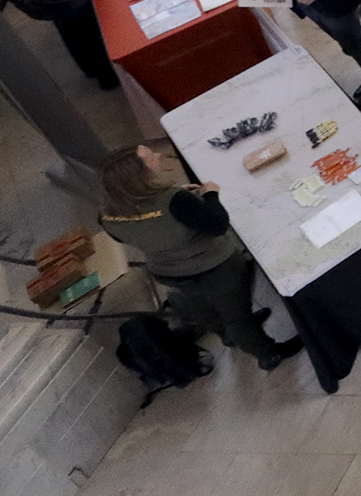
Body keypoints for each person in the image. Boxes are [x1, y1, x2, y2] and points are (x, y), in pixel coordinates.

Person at [96, 145, 306, 370]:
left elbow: (136, 229)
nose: (158, 155)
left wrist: (183, 202)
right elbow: (217, 224)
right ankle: (267, 353)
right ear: (138, 174)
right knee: (237, 316)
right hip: (214, 268)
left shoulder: (108, 214)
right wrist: (210, 195)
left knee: (207, 310)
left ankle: (227, 337)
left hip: (169, 272)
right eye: (150, 158)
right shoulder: (175, 200)